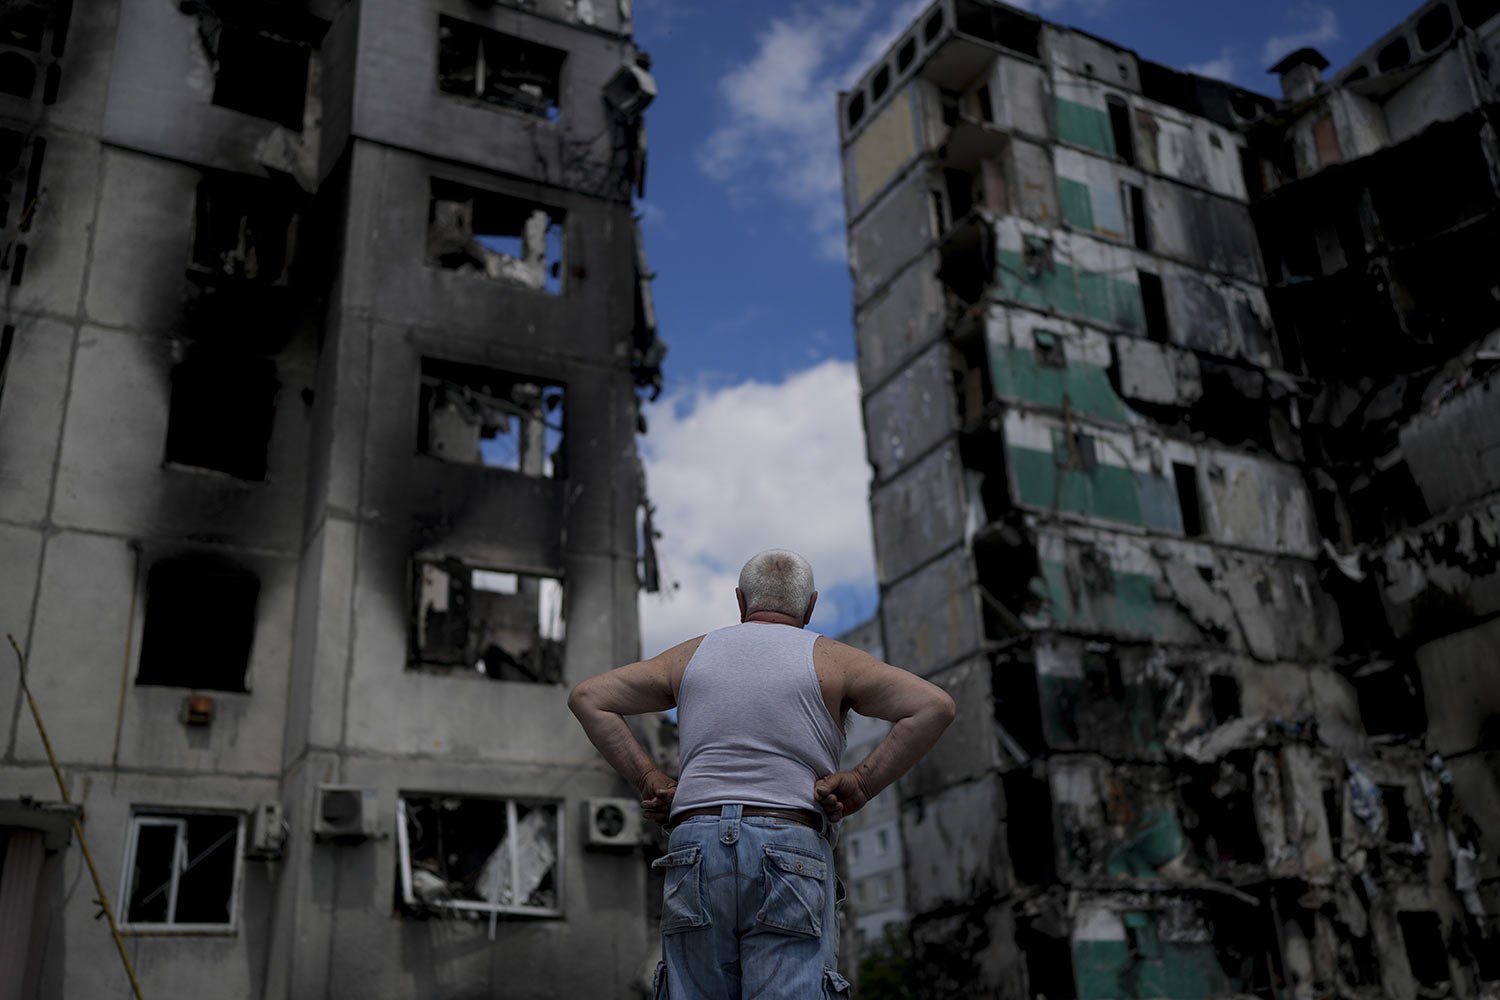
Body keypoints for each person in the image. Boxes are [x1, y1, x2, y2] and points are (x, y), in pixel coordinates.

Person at [568, 548, 956, 1000]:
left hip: (696, 844)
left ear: (740, 601)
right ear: (810, 607)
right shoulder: (834, 660)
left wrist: (651, 779)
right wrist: (863, 783)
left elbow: (588, 697)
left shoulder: (690, 656)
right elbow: (935, 706)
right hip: (789, 842)